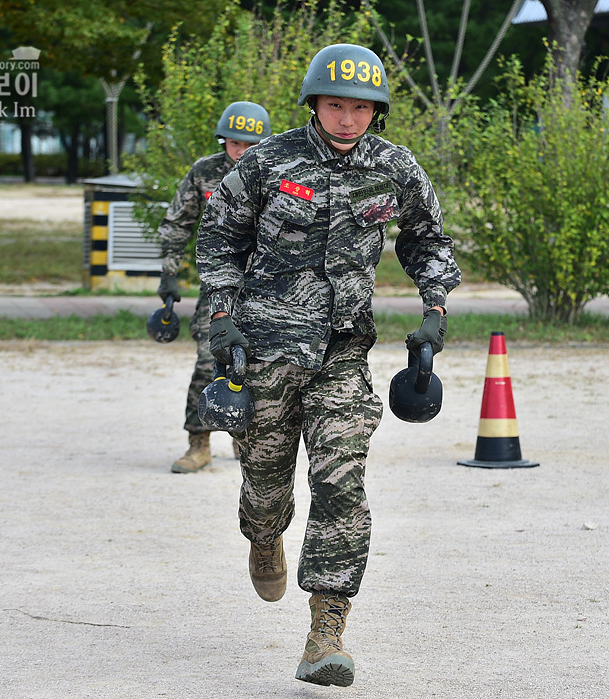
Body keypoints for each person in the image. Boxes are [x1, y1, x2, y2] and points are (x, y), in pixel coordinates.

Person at [196, 44, 460, 687]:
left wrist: (435, 304)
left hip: (343, 354)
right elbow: (219, 238)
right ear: (315, 103)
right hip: (262, 350)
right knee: (265, 490)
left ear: (378, 110)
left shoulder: (394, 168)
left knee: (342, 484)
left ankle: (326, 630)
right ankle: (263, 538)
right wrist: (222, 314)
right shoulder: (264, 162)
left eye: (361, 107)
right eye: (336, 105)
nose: (348, 118)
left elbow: (426, 240)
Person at [158, 101, 272, 474]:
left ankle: (246, 440)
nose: (242, 151)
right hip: (217, 287)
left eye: (250, 145)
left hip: (267, 287)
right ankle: (199, 442)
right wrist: (169, 273)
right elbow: (177, 223)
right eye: (235, 143)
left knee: (261, 366)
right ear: (223, 139)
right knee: (209, 362)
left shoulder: (275, 171)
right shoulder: (204, 172)